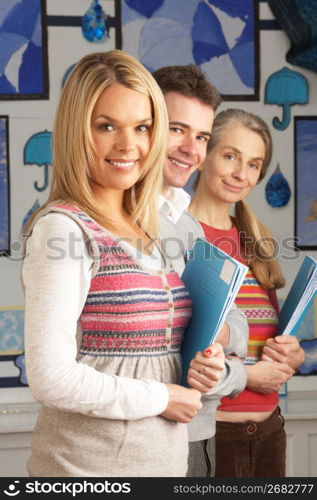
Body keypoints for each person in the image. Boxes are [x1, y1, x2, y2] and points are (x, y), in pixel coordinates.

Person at [21, 50, 226, 477]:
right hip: (85, 472)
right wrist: (162, 397)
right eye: (106, 126)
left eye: (143, 128)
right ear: (78, 131)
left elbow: (147, 354)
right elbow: (50, 377)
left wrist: (198, 364)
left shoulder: (149, 227)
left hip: (161, 467)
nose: (128, 145)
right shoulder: (64, 230)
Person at [189, 108, 305, 477]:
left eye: (254, 164)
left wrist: (291, 354)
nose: (242, 174)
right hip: (211, 437)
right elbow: (175, 352)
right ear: (203, 153)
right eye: (230, 156)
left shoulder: (256, 239)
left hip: (270, 431)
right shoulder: (179, 237)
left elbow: (268, 337)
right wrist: (250, 376)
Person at [152, 65, 249, 477]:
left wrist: (221, 343)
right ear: (147, 125)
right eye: (178, 129)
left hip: (197, 437)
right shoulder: (107, 223)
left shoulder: (187, 225)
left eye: (203, 137)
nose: (192, 150)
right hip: (143, 437)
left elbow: (237, 323)